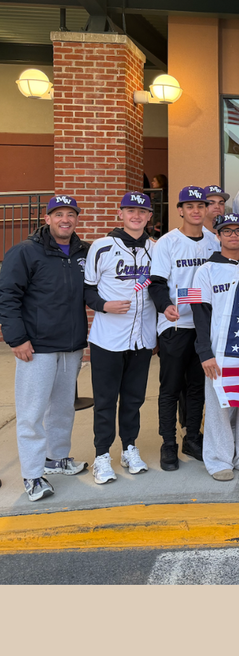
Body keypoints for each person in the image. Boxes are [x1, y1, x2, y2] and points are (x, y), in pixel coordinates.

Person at [0, 195, 89, 501]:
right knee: (31, 412)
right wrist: (16, 338)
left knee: (63, 407)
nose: (66, 219)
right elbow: (7, 296)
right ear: (47, 218)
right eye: (59, 214)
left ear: (76, 219)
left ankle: (57, 457)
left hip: (72, 344)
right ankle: (33, 474)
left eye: (71, 214)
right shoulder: (25, 252)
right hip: (36, 347)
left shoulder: (83, 252)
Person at [83, 192, 157, 484]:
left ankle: (129, 448)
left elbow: (161, 287)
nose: (136, 215)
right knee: (105, 400)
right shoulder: (101, 247)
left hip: (142, 338)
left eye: (142, 211)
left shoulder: (156, 247)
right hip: (107, 338)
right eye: (130, 210)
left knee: (133, 399)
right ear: (120, 213)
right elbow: (87, 289)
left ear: (149, 216)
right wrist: (103, 305)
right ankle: (102, 455)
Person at [149, 185, 218, 471]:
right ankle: (168, 443)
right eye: (189, 206)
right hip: (175, 324)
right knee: (170, 388)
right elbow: (156, 282)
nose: (195, 210)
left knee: (197, 387)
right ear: (180, 210)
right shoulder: (167, 242)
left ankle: (192, 437)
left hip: (203, 327)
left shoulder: (214, 241)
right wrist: (165, 306)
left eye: (200, 206)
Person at [191, 213, 239, 481]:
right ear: (217, 235)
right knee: (219, 406)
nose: (234, 235)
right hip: (219, 351)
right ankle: (218, 460)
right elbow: (200, 314)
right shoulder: (205, 270)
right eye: (227, 231)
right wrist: (205, 354)